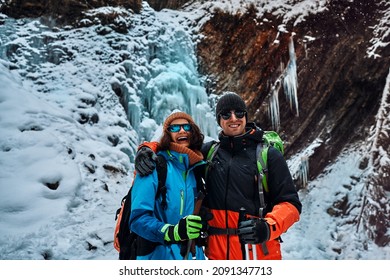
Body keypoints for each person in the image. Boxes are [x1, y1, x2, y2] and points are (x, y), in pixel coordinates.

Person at [135, 92, 302, 260]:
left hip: (258, 253)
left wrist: (267, 227)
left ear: (246, 116)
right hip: (217, 255)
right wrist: (147, 149)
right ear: (219, 120)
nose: (233, 118)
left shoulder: (269, 155)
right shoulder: (209, 153)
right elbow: (177, 146)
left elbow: (291, 204)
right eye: (225, 114)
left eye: (239, 112)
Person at [129, 111, 207, 260]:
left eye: (186, 126)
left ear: (193, 131)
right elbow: (137, 220)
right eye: (175, 128)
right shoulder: (153, 167)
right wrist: (172, 232)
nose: (182, 130)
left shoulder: (196, 170)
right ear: (168, 134)